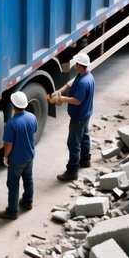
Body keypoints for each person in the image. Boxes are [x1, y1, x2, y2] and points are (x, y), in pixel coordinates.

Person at [50, 52, 95, 182]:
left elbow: (77, 100)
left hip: (79, 115)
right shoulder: (87, 75)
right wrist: (60, 91)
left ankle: (72, 171)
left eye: (77, 64)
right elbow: (70, 83)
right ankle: (86, 159)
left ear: (81, 65)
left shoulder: (83, 83)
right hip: (86, 113)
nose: (75, 66)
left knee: (73, 143)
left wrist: (62, 99)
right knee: (84, 135)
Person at [0, 90, 38, 220]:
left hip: (16, 160)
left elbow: (8, 144)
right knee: (28, 179)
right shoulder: (32, 117)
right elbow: (34, 130)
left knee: (13, 185)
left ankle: (12, 211)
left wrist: (5, 156)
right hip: (29, 156)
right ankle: (27, 202)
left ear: (13, 106)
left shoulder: (12, 123)